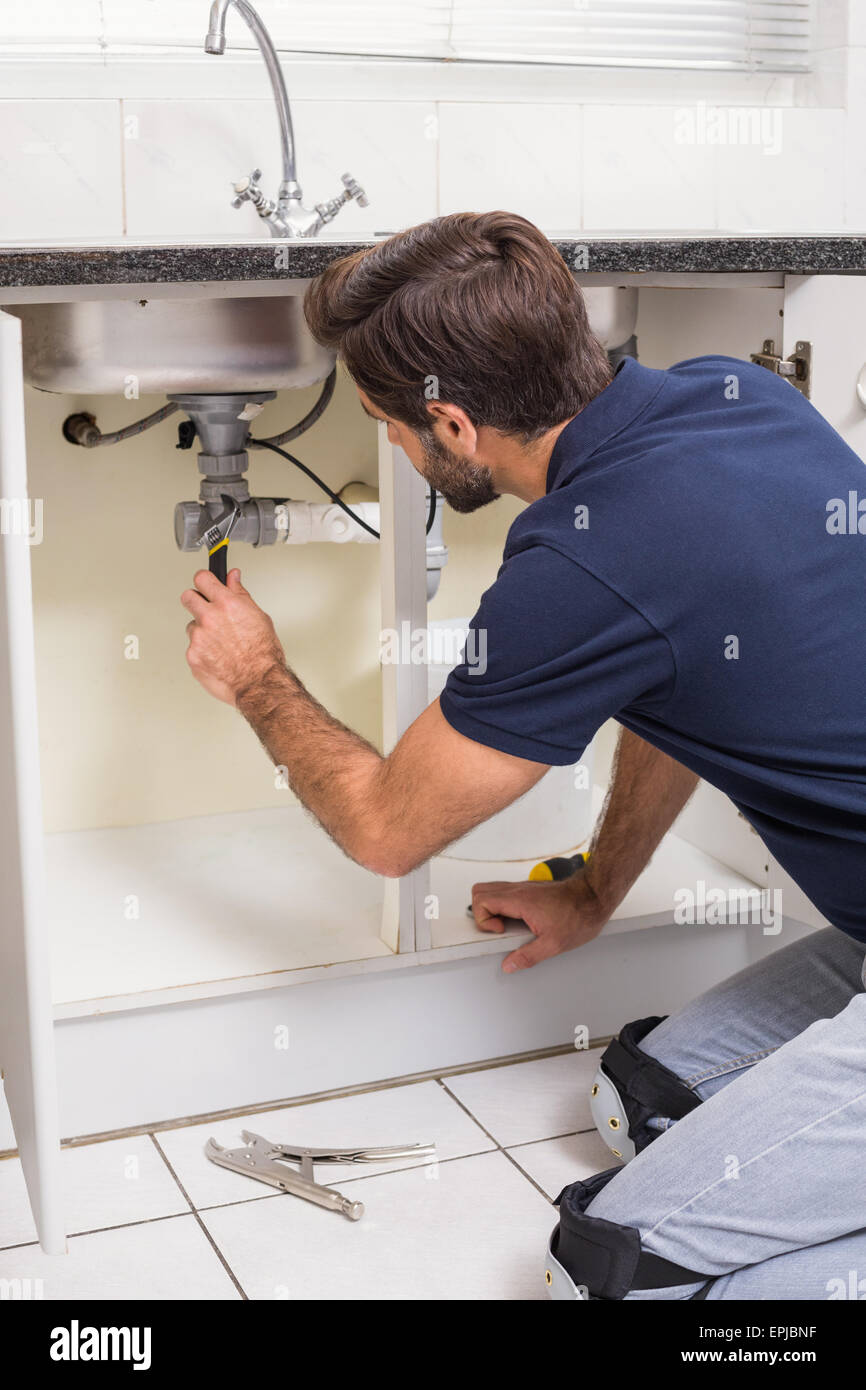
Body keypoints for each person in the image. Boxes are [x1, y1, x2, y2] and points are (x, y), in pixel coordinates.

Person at [181, 211, 866, 1300]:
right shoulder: (742, 398)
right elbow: (674, 679)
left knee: (604, 1277)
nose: (397, 452)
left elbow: (383, 828)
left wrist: (256, 676)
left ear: (448, 422)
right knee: (633, 1101)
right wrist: (596, 885)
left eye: (391, 428)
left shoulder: (573, 568)